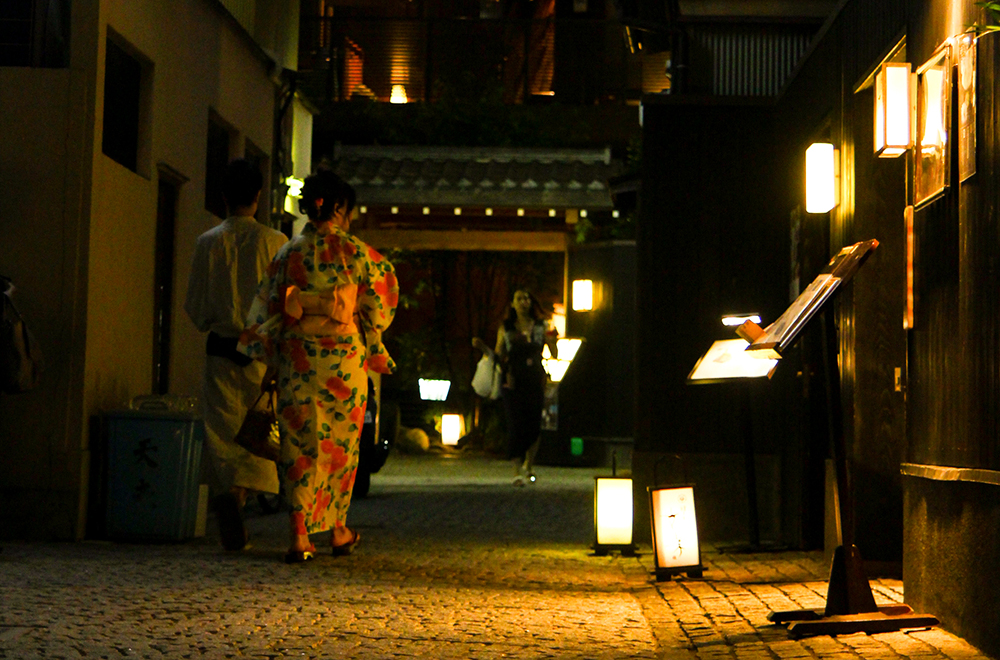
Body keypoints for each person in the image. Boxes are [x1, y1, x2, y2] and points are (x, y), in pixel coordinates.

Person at [238, 169, 398, 563]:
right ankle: (338, 528)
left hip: (298, 355)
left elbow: (269, 305)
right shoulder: (360, 254)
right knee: (339, 445)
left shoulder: (287, 253)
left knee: (298, 441)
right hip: (343, 358)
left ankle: (298, 533)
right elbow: (380, 308)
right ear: (340, 208)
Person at [184, 158, 286, 551]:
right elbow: (281, 301)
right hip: (260, 349)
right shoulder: (274, 242)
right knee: (258, 430)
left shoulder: (207, 242)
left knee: (222, 430)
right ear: (258, 196)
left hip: (221, 347)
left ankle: (229, 495)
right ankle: (240, 498)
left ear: (223, 196)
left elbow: (195, 307)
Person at [474, 290, 557, 486]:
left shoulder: (541, 326)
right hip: (512, 379)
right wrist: (483, 348)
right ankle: (517, 469)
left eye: (526, 298)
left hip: (535, 376)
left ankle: (530, 465)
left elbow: (554, 353)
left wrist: (553, 341)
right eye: (519, 299)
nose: (523, 302)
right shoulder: (506, 328)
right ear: (512, 304)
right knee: (516, 423)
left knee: (534, 423)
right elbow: (498, 353)